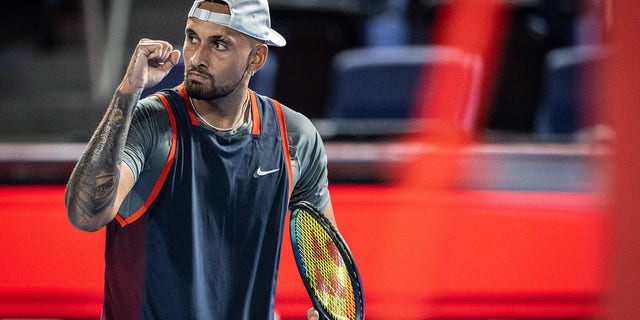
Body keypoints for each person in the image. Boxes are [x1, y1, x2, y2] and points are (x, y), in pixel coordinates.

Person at [64, 0, 332, 319]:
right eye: (193, 38)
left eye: (218, 44)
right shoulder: (151, 122)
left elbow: (328, 263)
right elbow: (86, 215)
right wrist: (128, 91)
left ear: (256, 57)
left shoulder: (294, 137)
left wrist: (329, 308)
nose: (197, 58)